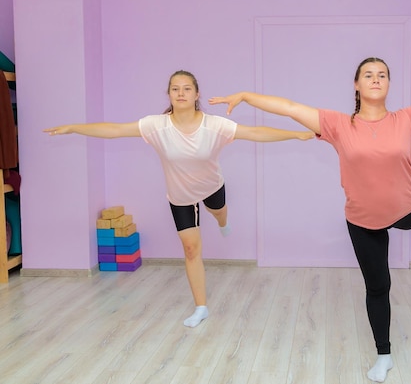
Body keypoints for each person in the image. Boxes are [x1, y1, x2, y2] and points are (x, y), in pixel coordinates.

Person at [209, 57, 411, 382]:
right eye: (368, 74)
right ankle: (384, 354)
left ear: (389, 84)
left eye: (382, 74)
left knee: (409, 220)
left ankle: (400, 217)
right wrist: (246, 96)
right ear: (356, 84)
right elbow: (290, 106)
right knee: (379, 285)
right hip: (363, 220)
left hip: (405, 210)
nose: (376, 78)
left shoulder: (409, 119)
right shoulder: (337, 124)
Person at [44, 70, 314, 328]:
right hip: (181, 197)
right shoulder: (155, 126)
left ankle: (222, 221)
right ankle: (201, 307)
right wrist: (74, 127)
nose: (181, 93)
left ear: (197, 94)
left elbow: (254, 133)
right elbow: (115, 129)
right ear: (169, 94)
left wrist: (296, 134)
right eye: (175, 89)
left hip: (211, 187)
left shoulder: (214, 125)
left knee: (219, 213)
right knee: (191, 250)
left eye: (187, 89)